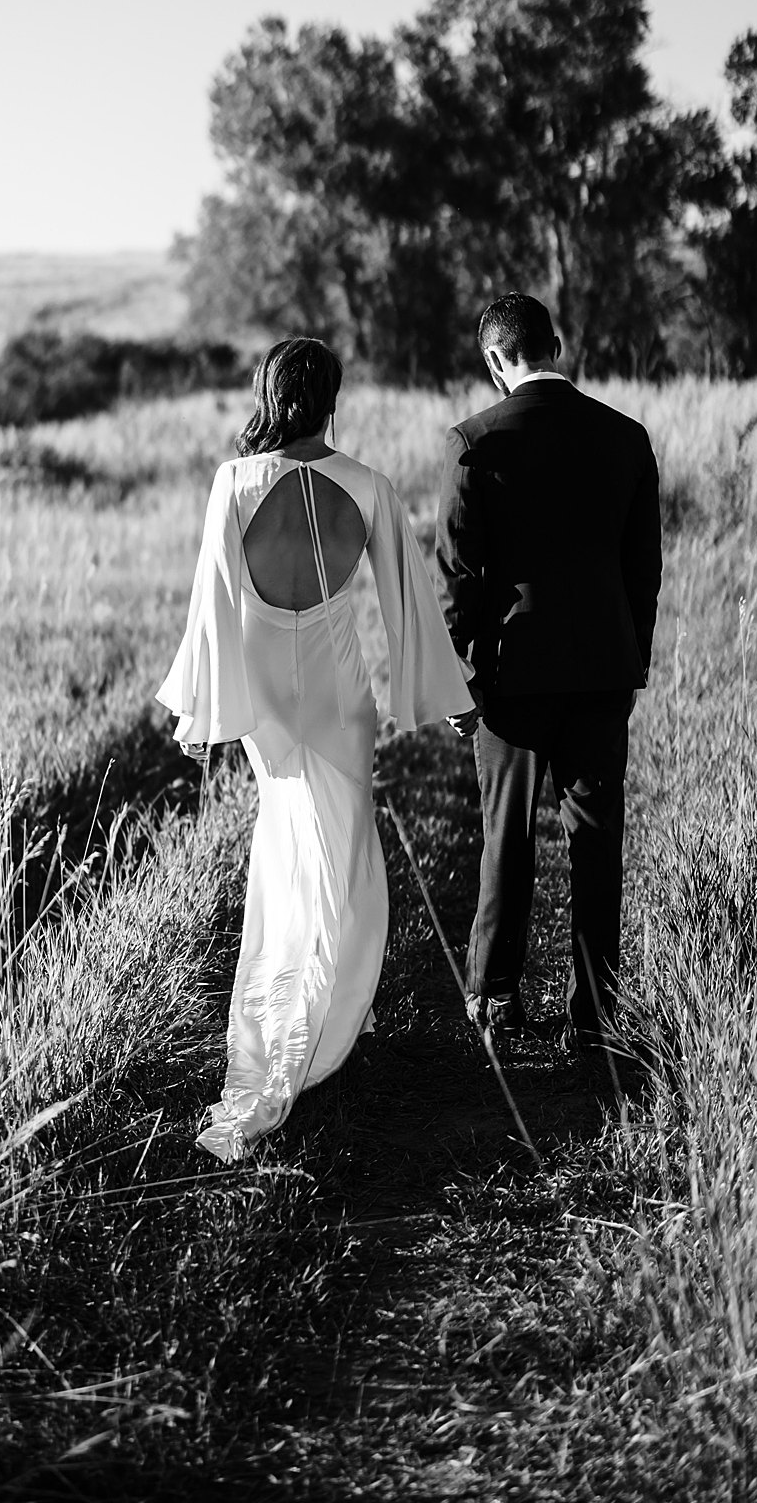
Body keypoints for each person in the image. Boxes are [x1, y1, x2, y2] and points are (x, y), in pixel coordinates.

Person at [158, 337, 472, 1161]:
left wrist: (202, 715)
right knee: (346, 858)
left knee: (286, 847)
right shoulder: (366, 486)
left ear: (268, 392)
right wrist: (444, 700)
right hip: (339, 700)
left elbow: (211, 608)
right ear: (333, 395)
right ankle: (328, 1030)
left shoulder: (234, 483)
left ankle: (281, 1031)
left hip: (267, 706)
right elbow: (409, 602)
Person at [435, 293, 663, 1058]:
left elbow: (459, 579)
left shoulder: (474, 443)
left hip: (510, 672)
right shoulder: (626, 439)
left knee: (507, 835)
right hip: (604, 668)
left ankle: (496, 1001)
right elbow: (644, 572)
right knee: (597, 842)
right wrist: (633, 658)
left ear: (495, 360)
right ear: (556, 345)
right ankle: (596, 1017)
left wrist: (460, 677)